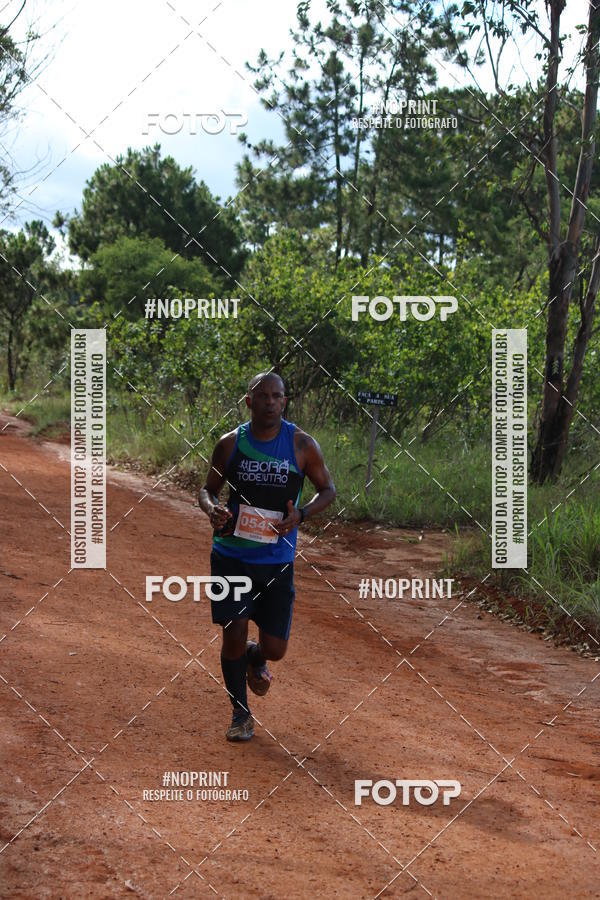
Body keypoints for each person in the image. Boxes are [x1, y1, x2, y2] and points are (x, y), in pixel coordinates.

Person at [198, 372, 336, 741]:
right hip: (231, 557)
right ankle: (240, 714)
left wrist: (301, 515)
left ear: (285, 401)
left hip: (276, 561)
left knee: (276, 649)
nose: (271, 402)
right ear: (249, 401)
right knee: (234, 630)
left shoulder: (302, 445)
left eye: (278, 396)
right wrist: (213, 510)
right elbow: (207, 490)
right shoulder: (229, 445)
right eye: (263, 396)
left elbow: (327, 489)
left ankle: (255, 658)